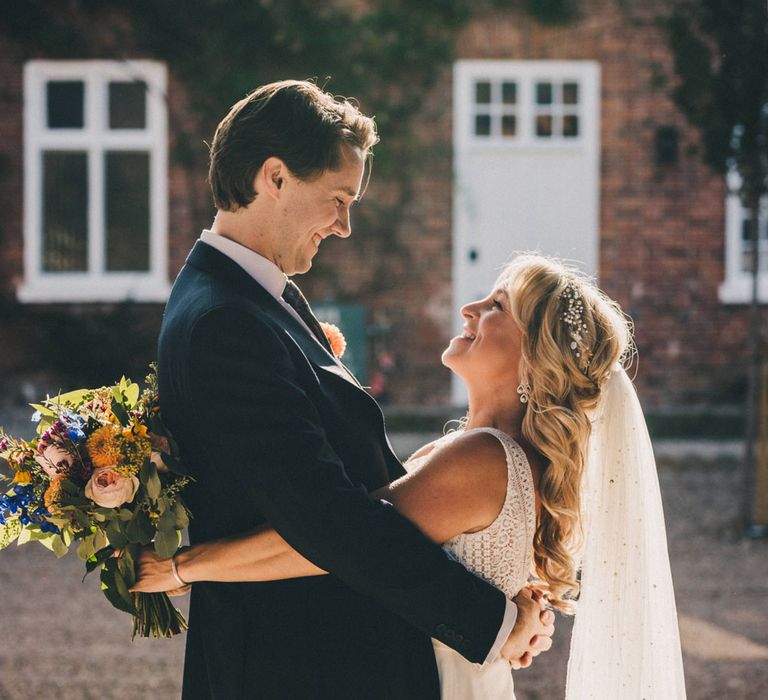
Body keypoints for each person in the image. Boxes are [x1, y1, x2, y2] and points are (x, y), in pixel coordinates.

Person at [153, 80, 553, 700]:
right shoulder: (225, 322)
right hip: (294, 665)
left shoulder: (256, 297)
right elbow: (329, 518)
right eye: (339, 198)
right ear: (275, 177)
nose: (344, 225)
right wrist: (492, 621)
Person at [139, 253, 687, 699]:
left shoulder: (483, 459)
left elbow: (336, 539)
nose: (470, 308)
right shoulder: (482, 453)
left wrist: (181, 568)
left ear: (534, 358)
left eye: (498, 305)